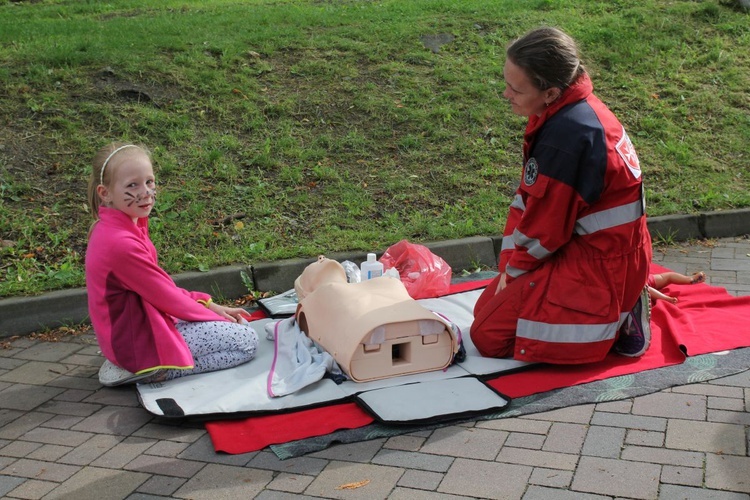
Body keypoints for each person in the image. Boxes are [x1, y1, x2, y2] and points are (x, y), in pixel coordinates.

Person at [470, 27, 653, 364]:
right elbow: (535, 204)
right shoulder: (570, 112)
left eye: (515, 88)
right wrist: (510, 271)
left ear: (551, 93)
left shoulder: (566, 136)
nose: (506, 94)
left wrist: (513, 276)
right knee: (487, 307)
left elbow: (546, 228)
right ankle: (623, 302)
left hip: (599, 265)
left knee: (487, 335)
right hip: (603, 250)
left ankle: (619, 314)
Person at [85, 142, 258, 386]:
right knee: (246, 341)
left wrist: (208, 304)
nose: (145, 192)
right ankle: (154, 370)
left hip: (132, 332)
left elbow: (159, 288)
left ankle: (140, 363)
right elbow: (167, 297)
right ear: (106, 193)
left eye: (149, 181)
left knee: (235, 331)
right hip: (136, 343)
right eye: (132, 185)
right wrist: (212, 314)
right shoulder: (120, 243)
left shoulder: (119, 226)